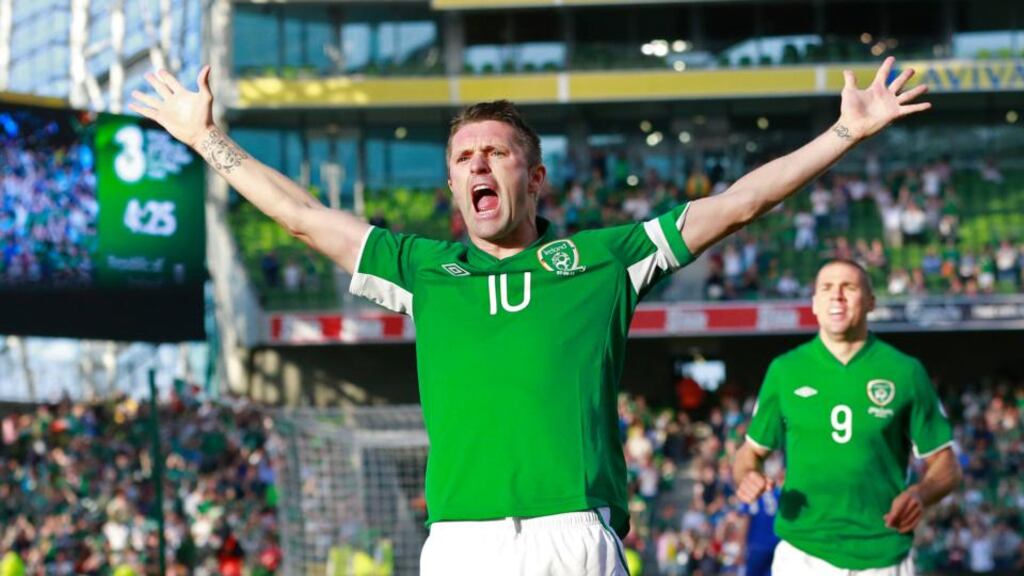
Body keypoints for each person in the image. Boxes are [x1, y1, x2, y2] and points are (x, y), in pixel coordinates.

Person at [130, 57, 930, 576]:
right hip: (460, 545)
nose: (477, 163)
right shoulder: (424, 271)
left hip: (572, 535)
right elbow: (304, 217)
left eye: (496, 152)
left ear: (535, 176)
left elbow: (741, 204)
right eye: (462, 158)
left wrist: (843, 132)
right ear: (451, 189)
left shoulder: (601, 261)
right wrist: (209, 141)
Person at [732, 259, 962, 576]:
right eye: (826, 288)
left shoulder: (906, 371)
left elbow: (946, 465)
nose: (836, 296)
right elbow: (749, 453)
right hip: (803, 553)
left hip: (882, 553)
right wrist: (746, 475)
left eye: (849, 287)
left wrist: (921, 493)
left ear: (870, 302)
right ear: (814, 304)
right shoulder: (785, 370)